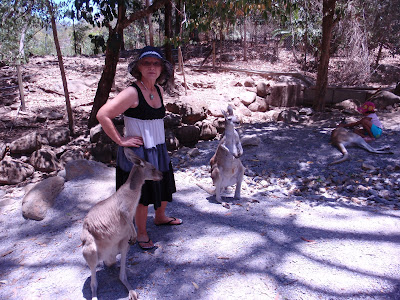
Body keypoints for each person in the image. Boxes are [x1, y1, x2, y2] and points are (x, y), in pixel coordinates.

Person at [97, 46, 182, 250]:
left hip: (158, 148)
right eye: (146, 63)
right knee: (141, 194)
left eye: (156, 63)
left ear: (162, 68)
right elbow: (103, 114)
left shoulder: (159, 90)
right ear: (139, 67)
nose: (152, 67)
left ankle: (160, 217)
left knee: (163, 182)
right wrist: (121, 140)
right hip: (140, 153)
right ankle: (141, 233)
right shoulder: (131, 92)